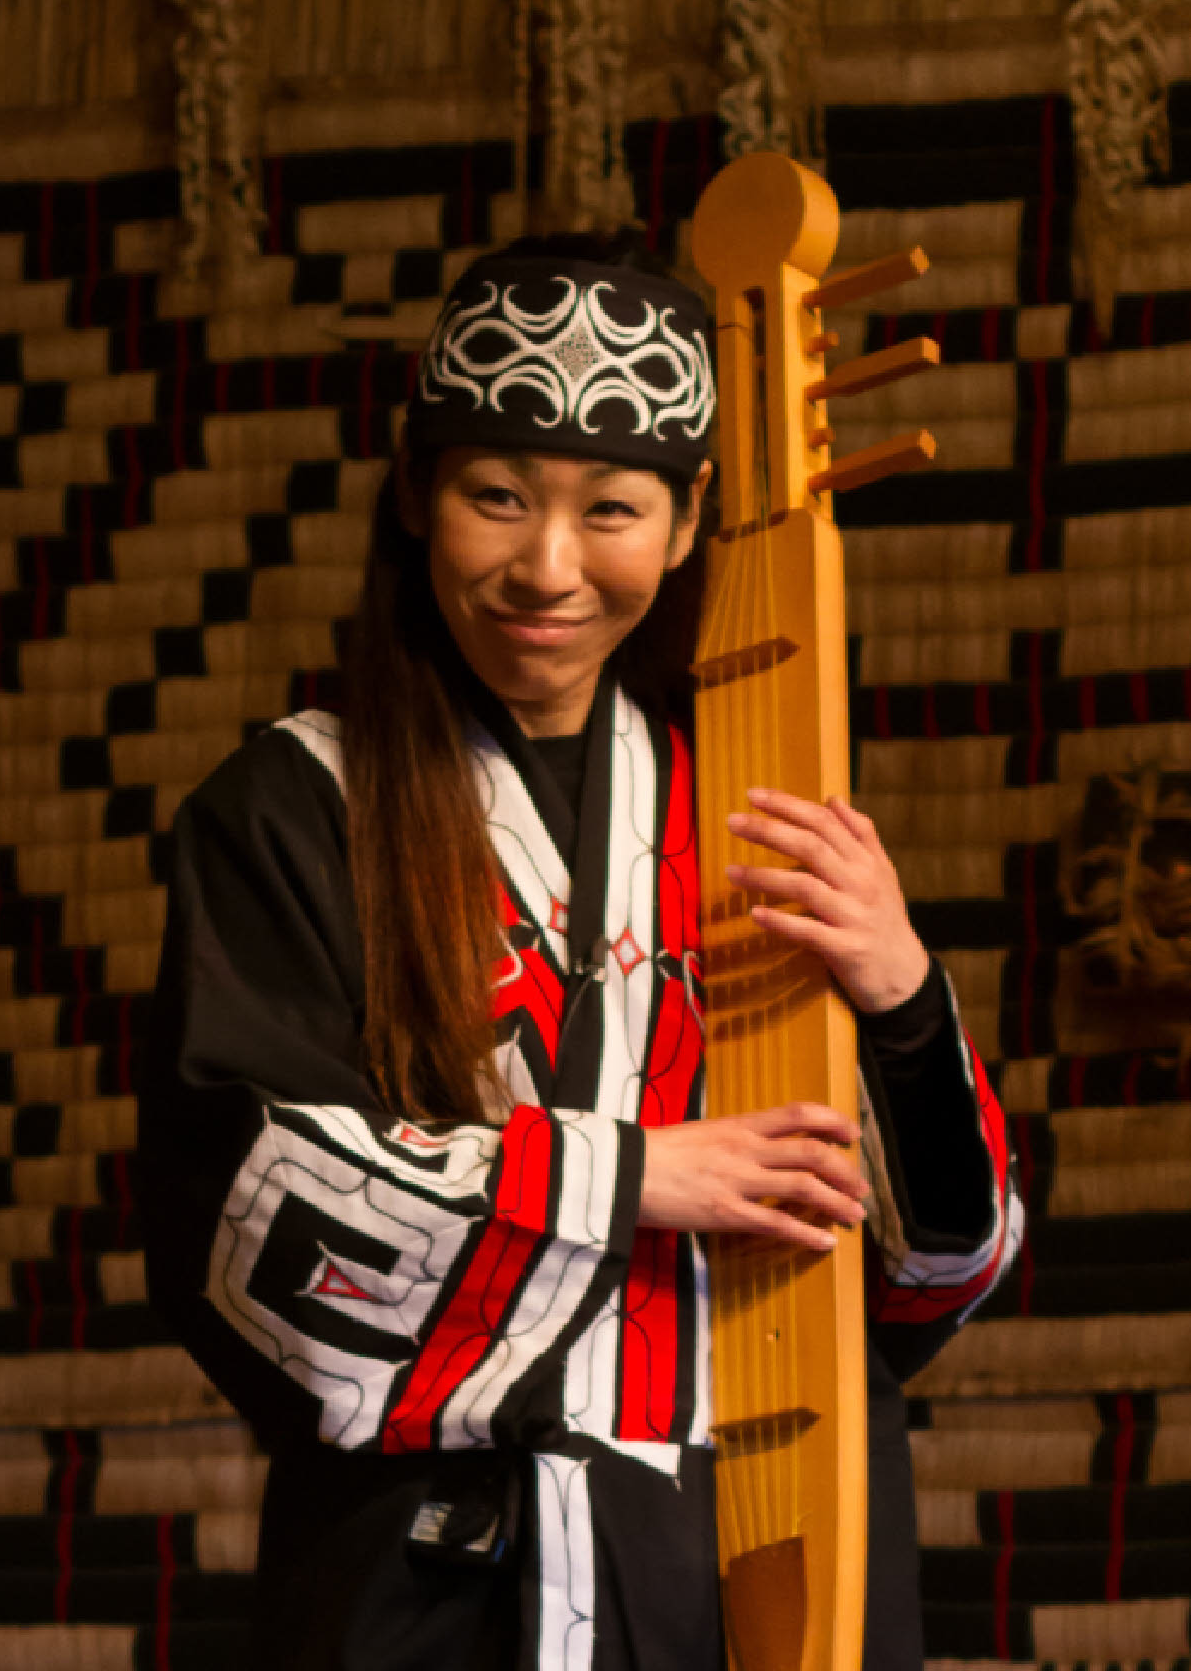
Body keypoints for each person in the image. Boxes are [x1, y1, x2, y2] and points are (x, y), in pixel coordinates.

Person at [135, 234, 1023, 1671]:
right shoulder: (293, 809)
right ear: (421, 496)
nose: (547, 569)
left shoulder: (752, 812)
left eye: (611, 510)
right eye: (496, 496)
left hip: (751, 1570)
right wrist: (627, 1177)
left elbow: (933, 1274)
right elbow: (240, 1203)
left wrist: (904, 995)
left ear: (685, 530)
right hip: (432, 1584)